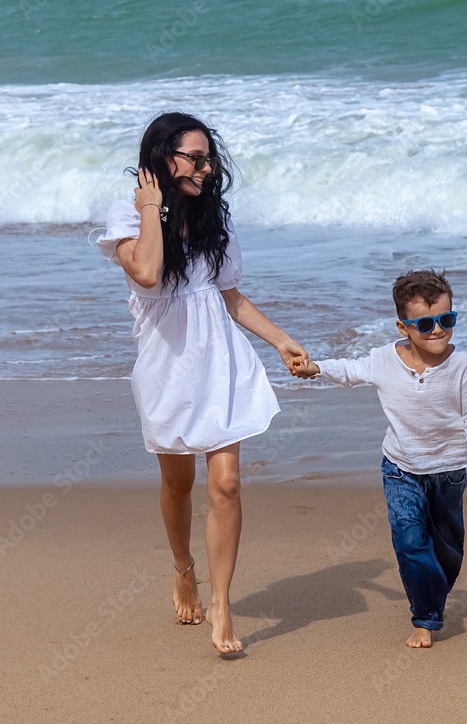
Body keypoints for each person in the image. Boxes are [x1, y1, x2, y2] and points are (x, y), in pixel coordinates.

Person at [93, 112, 308, 654]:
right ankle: (183, 567)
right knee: (177, 483)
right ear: (164, 157)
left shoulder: (217, 217)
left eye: (209, 159)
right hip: (167, 365)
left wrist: (280, 340)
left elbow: (228, 296)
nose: (207, 168)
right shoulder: (127, 213)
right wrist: (150, 208)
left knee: (227, 484)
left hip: (220, 359)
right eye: (195, 157)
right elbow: (147, 272)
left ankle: (223, 605)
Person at [293, 269, 467, 648]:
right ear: (403, 326)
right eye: (426, 323)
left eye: (447, 320)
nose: (438, 330)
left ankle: (433, 594)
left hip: (449, 471)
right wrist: (316, 368)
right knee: (410, 541)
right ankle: (426, 618)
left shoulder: (461, 365)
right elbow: (350, 370)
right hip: (400, 468)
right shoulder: (384, 359)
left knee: (448, 550)